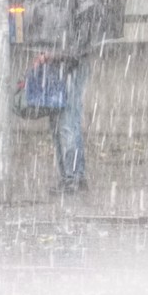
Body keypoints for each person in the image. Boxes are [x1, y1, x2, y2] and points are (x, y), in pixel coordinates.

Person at [33, 51, 90, 194]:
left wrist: (49, 55)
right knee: (58, 127)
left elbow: (76, 46)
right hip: (59, 66)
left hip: (70, 66)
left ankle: (75, 177)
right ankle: (68, 177)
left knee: (67, 124)